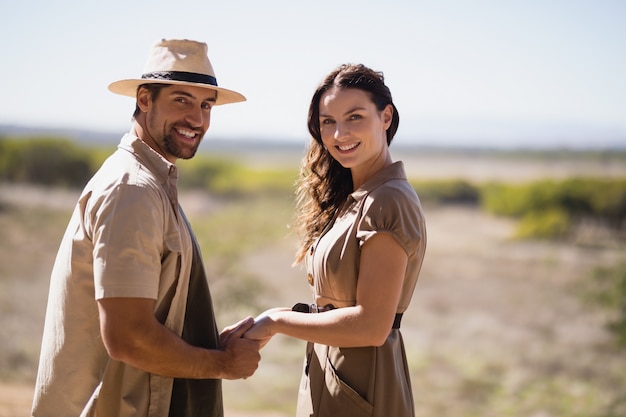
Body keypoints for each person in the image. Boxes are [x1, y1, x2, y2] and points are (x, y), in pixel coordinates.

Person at [31, 39, 266, 417]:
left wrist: (205, 345)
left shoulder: (152, 183)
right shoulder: (133, 190)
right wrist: (221, 365)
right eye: (182, 100)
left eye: (206, 105)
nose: (197, 119)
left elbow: (149, 317)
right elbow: (127, 338)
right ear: (144, 99)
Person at [244, 63, 427, 416]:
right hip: (332, 374)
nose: (340, 133)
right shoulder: (357, 196)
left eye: (354, 117)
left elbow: (372, 326)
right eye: (328, 121)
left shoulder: (388, 200)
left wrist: (277, 322)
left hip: (365, 387)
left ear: (386, 117)